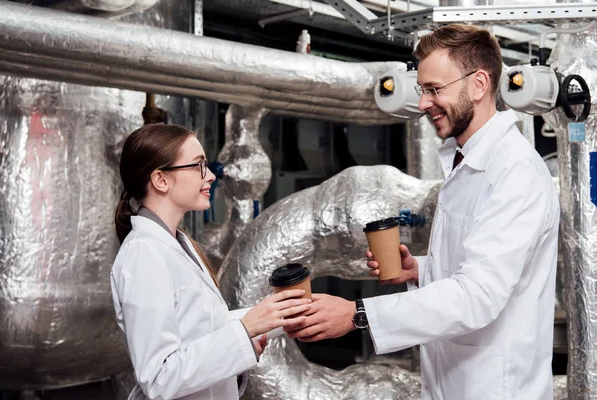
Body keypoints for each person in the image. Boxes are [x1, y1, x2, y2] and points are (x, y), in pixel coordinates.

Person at [284, 24, 560, 400]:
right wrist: (424, 268)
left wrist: (356, 314)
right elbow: (483, 264)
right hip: (455, 381)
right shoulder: (466, 161)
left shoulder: (514, 172)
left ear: (478, 84)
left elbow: (477, 295)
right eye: (423, 90)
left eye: (434, 90)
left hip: (496, 387)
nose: (424, 103)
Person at [110, 124, 312, 400]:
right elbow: (160, 378)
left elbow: (203, 327)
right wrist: (246, 329)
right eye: (198, 166)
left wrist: (275, 319)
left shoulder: (177, 244)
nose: (210, 176)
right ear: (161, 180)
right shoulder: (144, 255)